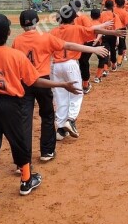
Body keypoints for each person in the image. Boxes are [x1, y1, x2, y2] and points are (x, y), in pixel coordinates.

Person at [0, 13, 81, 221]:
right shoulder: (15, 55)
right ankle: (26, 181)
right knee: (19, 142)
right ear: (9, 32)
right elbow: (35, 80)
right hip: (12, 104)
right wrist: (62, 85)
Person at [12, 9, 109, 162]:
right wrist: (93, 49)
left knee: (25, 119)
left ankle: (22, 161)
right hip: (42, 80)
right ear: (37, 22)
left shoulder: (17, 41)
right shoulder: (45, 37)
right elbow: (70, 46)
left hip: (25, 82)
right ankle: (47, 151)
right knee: (48, 115)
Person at [50, 3, 125, 138]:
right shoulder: (76, 28)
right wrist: (113, 32)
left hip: (55, 66)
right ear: (74, 18)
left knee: (60, 97)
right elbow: (94, 31)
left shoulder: (53, 31)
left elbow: (93, 28)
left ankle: (60, 130)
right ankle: (71, 120)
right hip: (70, 65)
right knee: (77, 94)